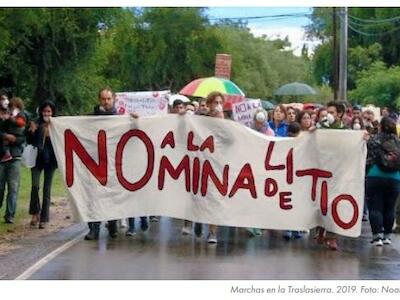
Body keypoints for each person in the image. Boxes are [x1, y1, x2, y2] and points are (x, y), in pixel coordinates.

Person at [315, 101, 347, 250]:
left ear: (339, 114)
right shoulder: (321, 127)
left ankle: (332, 236)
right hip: (322, 170)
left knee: (335, 203)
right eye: (328, 112)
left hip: (338, 172)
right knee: (320, 202)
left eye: (332, 112)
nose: (329, 115)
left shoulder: (347, 130)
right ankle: (320, 228)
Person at [193, 91, 225, 244]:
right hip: (201, 162)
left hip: (217, 164)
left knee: (214, 198)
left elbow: (230, 139)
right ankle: (198, 219)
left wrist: (223, 121)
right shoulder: (201, 120)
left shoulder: (226, 121)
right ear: (210, 104)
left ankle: (212, 232)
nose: (218, 105)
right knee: (200, 195)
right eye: (215, 102)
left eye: (220, 102)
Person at [366, 117, 400, 246]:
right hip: (395, 177)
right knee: (390, 207)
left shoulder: (374, 139)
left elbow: (368, 154)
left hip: (375, 175)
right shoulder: (398, 141)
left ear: (381, 126)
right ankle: (387, 236)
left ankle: (377, 236)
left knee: (375, 207)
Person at [27, 101, 58, 229]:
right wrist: (32, 131)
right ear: (41, 112)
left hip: (51, 160)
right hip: (36, 159)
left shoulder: (57, 125)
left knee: (47, 189)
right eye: (45, 111)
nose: (47, 114)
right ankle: (35, 213)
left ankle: (44, 218)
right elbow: (28, 140)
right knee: (35, 186)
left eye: (49, 111)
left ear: (53, 113)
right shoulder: (36, 123)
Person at [0, 97, 26, 224]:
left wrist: (14, 139)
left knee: (13, 187)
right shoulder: (4, 117)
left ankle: (10, 215)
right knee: (0, 187)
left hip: (15, 156)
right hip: (2, 156)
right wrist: (5, 136)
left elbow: (23, 137)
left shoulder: (21, 118)